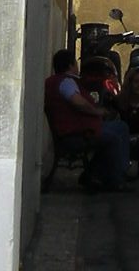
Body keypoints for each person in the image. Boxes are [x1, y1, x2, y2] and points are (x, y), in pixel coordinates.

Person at [43, 47, 131, 191]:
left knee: (121, 127)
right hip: (77, 132)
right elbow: (79, 103)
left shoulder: (53, 81)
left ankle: (104, 171)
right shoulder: (66, 83)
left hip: (77, 127)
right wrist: (97, 112)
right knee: (114, 138)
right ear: (71, 65)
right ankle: (115, 179)